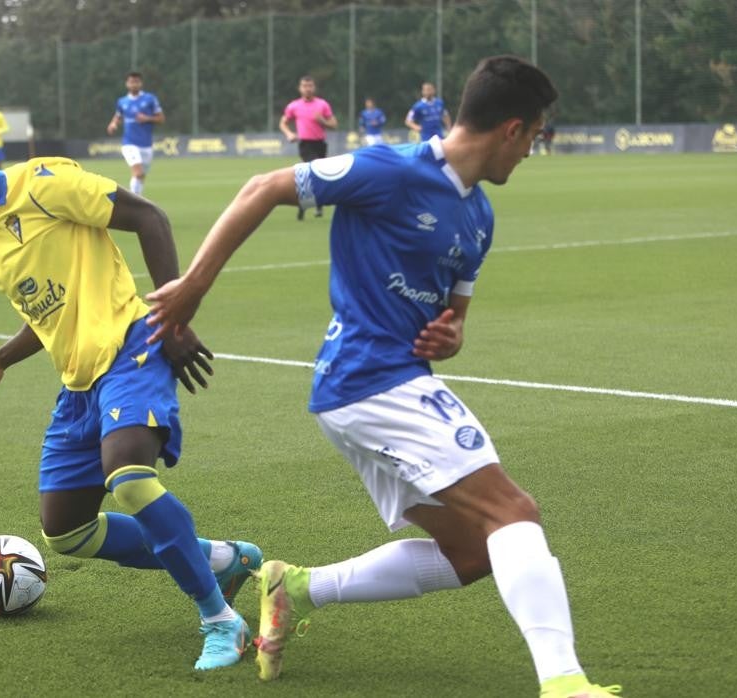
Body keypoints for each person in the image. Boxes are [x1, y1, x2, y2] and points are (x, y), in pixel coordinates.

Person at [143, 56, 622, 698]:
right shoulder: (391, 169)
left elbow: (453, 323)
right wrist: (193, 288)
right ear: (511, 129)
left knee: (474, 552)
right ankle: (565, 683)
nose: (532, 151)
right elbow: (262, 187)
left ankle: (300, 588)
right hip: (373, 381)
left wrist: (452, 335)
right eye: (534, 136)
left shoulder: (479, 217)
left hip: (377, 387)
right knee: (514, 513)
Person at [0, 129, 262, 672]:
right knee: (68, 531)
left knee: (129, 477)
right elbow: (48, 309)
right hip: (78, 381)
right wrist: (1, 360)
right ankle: (225, 559)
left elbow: (149, 218)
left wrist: (173, 316)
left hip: (132, 345)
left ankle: (219, 620)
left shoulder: (42, 185)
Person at [279, 75, 337, 220]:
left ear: (314, 87)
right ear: (300, 88)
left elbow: (334, 124)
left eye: (310, 86)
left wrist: (322, 120)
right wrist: (289, 134)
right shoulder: (294, 106)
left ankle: (306, 207)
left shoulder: (322, 104)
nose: (307, 89)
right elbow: (283, 122)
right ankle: (313, 205)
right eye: (304, 86)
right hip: (305, 144)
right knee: (313, 169)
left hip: (320, 144)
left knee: (315, 175)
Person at [106, 71, 163, 197]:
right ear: (127, 84)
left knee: (141, 176)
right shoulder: (122, 101)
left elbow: (161, 118)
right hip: (129, 143)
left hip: (146, 145)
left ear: (141, 83)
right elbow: (118, 116)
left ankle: (137, 199)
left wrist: (147, 118)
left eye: (136, 82)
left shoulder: (150, 99)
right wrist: (113, 124)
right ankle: (134, 201)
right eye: (131, 82)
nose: (134, 85)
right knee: (138, 173)